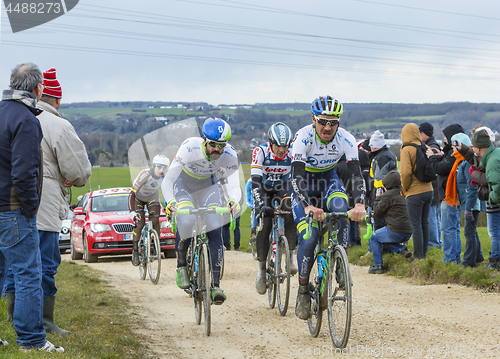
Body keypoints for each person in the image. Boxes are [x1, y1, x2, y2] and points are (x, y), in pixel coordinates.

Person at [3, 68, 92, 335]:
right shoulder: (57, 125)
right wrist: (69, 179)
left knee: (13, 267)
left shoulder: (8, 114)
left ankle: (14, 318)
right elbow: (79, 171)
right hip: (40, 206)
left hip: (7, 204)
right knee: (43, 267)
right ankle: (42, 323)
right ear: (55, 98)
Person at [0, 63, 63, 352]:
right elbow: (24, 172)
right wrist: (29, 208)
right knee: (28, 274)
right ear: (38, 89)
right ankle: (32, 339)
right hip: (12, 209)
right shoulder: (26, 119)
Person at [290, 96, 366, 320]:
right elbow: (296, 177)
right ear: (314, 119)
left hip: (329, 181)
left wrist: (360, 203)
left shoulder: (347, 139)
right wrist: (307, 206)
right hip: (304, 186)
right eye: (323, 121)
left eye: (333, 122)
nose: (328, 127)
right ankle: (303, 290)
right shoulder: (303, 138)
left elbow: (356, 176)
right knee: (310, 236)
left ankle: (340, 262)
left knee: (342, 208)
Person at [162, 118, 240, 303]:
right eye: (213, 144)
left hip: (207, 186)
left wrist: (233, 200)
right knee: (187, 221)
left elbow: (234, 183)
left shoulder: (229, 153)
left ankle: (215, 286)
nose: (217, 150)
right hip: (184, 185)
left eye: (221, 145)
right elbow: (169, 179)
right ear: (204, 139)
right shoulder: (189, 147)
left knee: (214, 226)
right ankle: (181, 265)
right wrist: (171, 201)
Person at [251, 122, 296, 295]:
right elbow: (255, 181)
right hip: (263, 189)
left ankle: (290, 259)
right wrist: (262, 204)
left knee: (290, 211)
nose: (281, 150)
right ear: (271, 143)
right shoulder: (260, 152)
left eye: (285, 146)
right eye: (278, 145)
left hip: (282, 187)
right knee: (266, 224)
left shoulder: (291, 154)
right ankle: (262, 272)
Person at [427, 124, 466, 263]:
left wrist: (432, 157)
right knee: (453, 228)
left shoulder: (454, 154)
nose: (444, 139)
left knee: (448, 228)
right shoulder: (452, 153)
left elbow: (441, 168)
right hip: (451, 195)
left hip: (449, 195)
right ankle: (455, 257)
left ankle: (449, 259)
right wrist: (440, 156)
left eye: (445, 137)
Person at [128, 155, 170, 266]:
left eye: (164, 167)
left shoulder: (165, 177)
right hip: (138, 199)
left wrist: (168, 209)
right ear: (154, 166)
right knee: (140, 223)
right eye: (159, 167)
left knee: (156, 220)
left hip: (152, 198)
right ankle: (135, 249)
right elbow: (131, 194)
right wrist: (132, 212)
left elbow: (167, 195)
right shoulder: (145, 174)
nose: (162, 170)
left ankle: (155, 245)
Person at [368, 171, 413, 274]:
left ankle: (378, 265)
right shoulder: (404, 193)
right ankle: (402, 249)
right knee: (382, 239)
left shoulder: (388, 195)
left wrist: (378, 197)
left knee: (374, 238)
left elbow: (377, 212)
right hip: (408, 232)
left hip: (395, 232)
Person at [400, 123, 433, 259]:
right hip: (429, 190)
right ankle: (423, 255)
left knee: (416, 225)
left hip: (414, 192)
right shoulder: (426, 147)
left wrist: (404, 190)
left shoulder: (406, 149)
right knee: (425, 223)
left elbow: (406, 173)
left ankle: (418, 256)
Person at [451, 133, 484, 267]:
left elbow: (471, 187)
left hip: (472, 203)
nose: (452, 149)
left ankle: (468, 262)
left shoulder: (465, 164)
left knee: (469, 232)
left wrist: (469, 208)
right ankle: (478, 258)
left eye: (454, 145)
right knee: (472, 231)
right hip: (469, 202)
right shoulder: (461, 162)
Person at [469, 129, 500, 269]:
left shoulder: (492, 162)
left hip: (496, 203)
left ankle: (495, 261)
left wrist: (490, 198)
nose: (473, 148)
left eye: (474, 145)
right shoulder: (495, 154)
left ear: (479, 147)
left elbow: (497, 186)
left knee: (494, 232)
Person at [419, 122, 443, 249]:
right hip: (436, 186)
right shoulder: (434, 145)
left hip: (432, 186)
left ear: (423, 134)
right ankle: (437, 242)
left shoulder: (430, 148)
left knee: (432, 218)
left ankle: (434, 244)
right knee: (435, 217)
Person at [368, 130, 397, 231]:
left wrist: (377, 195)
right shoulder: (389, 154)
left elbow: (380, 177)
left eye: (371, 145)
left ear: (375, 145)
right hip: (391, 191)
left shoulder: (381, 157)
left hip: (381, 192)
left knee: (379, 219)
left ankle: (380, 243)